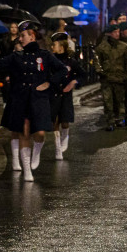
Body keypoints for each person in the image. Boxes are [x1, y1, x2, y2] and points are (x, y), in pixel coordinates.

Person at [0, 21, 66, 181]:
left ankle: (37, 152)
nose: (20, 39)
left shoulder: (45, 56)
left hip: (39, 99)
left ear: (32, 36)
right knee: (24, 130)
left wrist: (49, 83)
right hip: (21, 98)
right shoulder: (16, 57)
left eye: (23, 35)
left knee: (39, 133)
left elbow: (62, 70)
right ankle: (27, 171)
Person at [49, 32, 84, 160]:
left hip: (66, 95)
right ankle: (58, 149)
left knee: (64, 121)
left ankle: (66, 137)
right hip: (53, 94)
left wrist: (74, 82)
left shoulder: (71, 61)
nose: (52, 47)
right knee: (54, 122)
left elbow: (82, 75)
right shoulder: (51, 59)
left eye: (54, 44)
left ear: (61, 46)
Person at [94, 23, 127, 130]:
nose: (117, 34)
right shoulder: (102, 47)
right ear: (109, 34)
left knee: (119, 100)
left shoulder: (123, 46)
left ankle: (120, 119)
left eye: (118, 32)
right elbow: (97, 60)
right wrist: (100, 71)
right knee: (108, 101)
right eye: (114, 32)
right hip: (107, 78)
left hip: (120, 78)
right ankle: (110, 121)